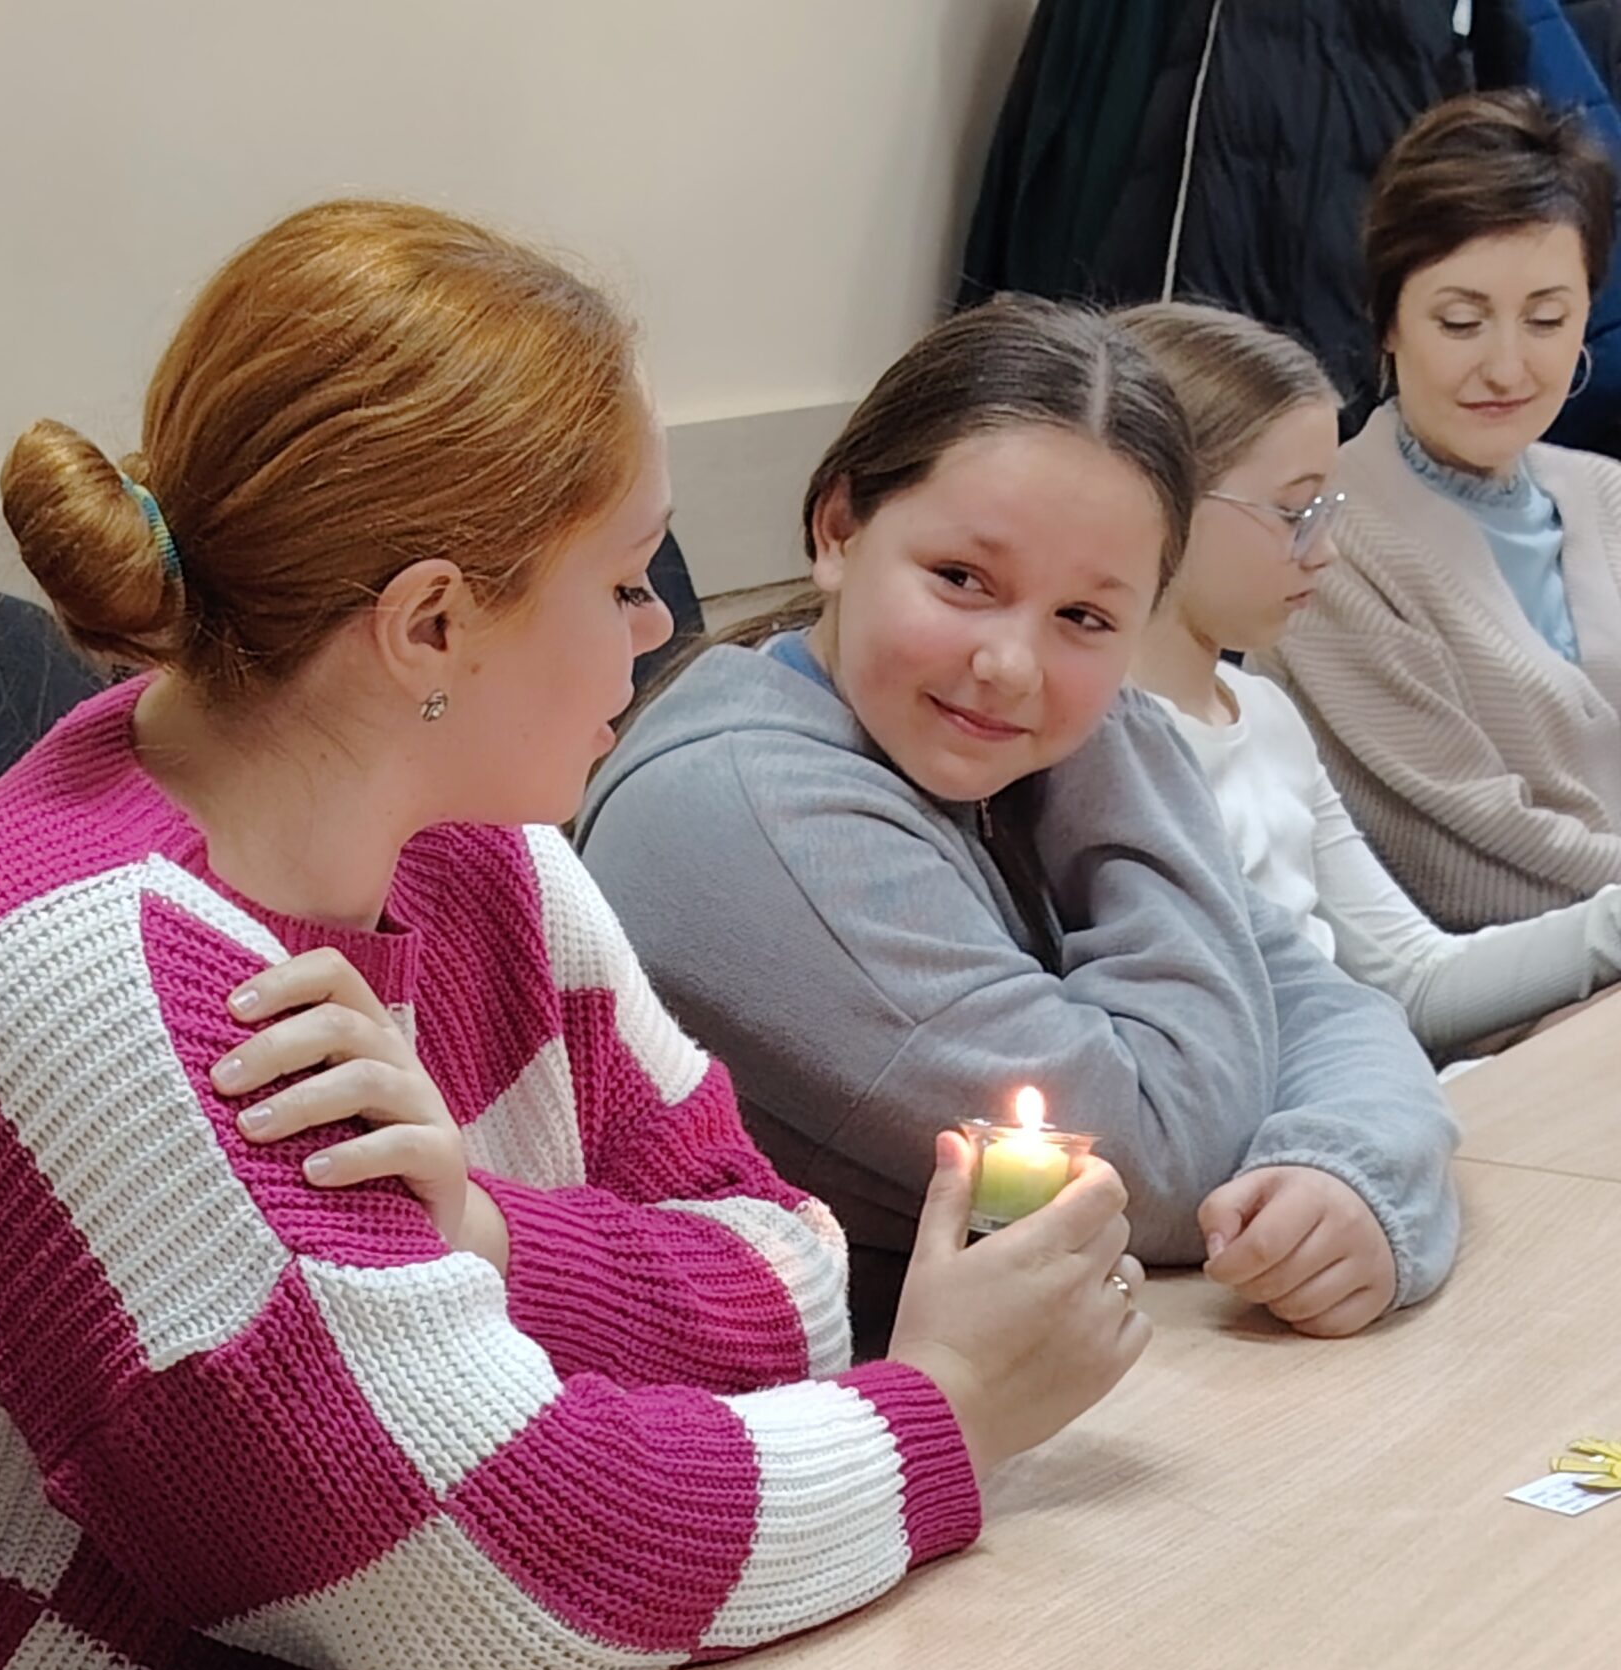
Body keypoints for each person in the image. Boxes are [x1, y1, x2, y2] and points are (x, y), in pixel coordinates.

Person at [0, 203, 1146, 1670]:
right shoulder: (94, 973)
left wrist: (488, 1233)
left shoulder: (481, 844)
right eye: (623, 582)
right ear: (433, 625)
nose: (659, 629)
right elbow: (518, 1552)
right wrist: (944, 1414)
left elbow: (781, 1277)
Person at [576, 295, 1459, 1352]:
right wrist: (1118, 722)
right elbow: (1161, 1158)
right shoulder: (742, 812)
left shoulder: (1005, 751)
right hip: (833, 1429)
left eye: (1085, 616)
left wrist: (1343, 1168)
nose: (1009, 665)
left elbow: (1319, 1000)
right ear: (839, 530)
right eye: (962, 580)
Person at [1123, 299, 1621, 1058]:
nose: (1325, 549)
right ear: (1159, 502)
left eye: (1327, 509)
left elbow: (1413, 978)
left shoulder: (1264, 714)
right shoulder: (1107, 745)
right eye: (1294, 512)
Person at [1260, 89, 1621, 929]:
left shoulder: (1607, 495)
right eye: (1461, 322)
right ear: (1387, 322)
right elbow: (1466, 861)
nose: (1507, 368)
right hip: (1518, 987)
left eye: (1547, 319)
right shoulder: (1326, 547)